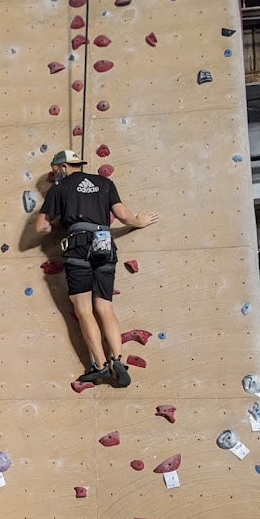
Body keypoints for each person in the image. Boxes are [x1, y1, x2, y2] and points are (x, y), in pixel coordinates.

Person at [35, 149, 159, 386]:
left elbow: (40, 227)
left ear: (63, 167)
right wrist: (139, 222)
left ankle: (100, 366)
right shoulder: (105, 183)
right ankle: (118, 361)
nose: (56, 174)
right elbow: (123, 215)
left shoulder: (59, 188)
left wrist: (51, 228)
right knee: (105, 308)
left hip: (78, 246)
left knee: (84, 310)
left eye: (55, 170)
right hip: (104, 245)